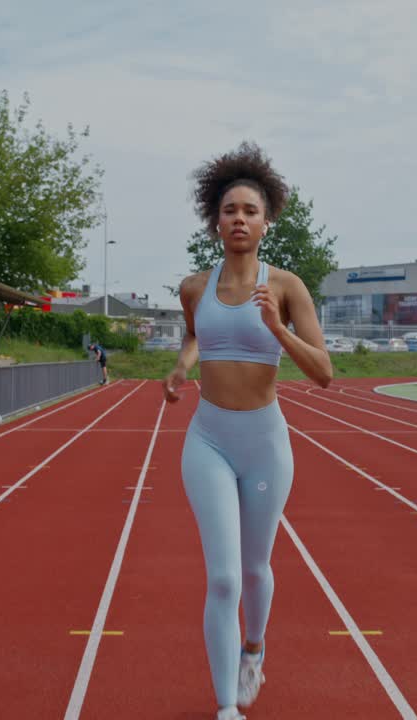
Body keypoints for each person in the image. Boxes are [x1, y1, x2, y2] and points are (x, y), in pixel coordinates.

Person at [162, 142, 332, 720]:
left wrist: (276, 329)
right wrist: (183, 367)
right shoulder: (193, 287)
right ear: (216, 219)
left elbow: (325, 374)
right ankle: (226, 708)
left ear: (267, 222)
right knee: (224, 577)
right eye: (230, 209)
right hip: (208, 440)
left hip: (264, 444)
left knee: (257, 567)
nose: (239, 218)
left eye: (250, 210)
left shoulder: (286, 287)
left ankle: (253, 649)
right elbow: (194, 334)